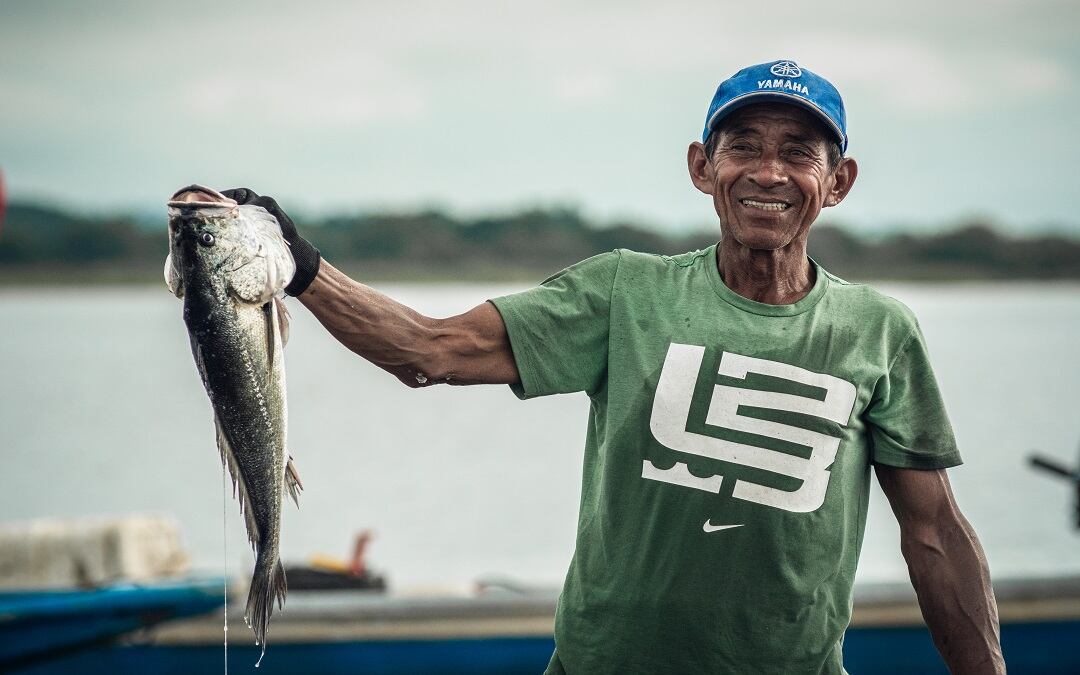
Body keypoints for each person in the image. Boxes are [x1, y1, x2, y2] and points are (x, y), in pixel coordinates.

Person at [223, 59, 1005, 674]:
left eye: (799, 153)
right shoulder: (624, 292)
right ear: (704, 166)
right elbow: (430, 350)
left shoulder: (879, 331)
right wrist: (301, 266)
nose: (769, 173)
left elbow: (933, 534)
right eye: (744, 148)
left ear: (838, 181)